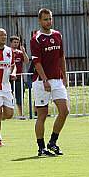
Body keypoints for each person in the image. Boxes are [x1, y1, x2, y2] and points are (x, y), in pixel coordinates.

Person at [30, 8, 68, 157]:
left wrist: (64, 75)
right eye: (45, 19)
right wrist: (45, 79)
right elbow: (37, 62)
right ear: (40, 21)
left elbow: (61, 57)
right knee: (42, 114)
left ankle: (53, 142)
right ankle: (41, 148)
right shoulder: (36, 39)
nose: (48, 21)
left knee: (64, 111)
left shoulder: (58, 35)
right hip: (41, 81)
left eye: (50, 18)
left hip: (57, 80)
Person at [9, 35, 27, 118]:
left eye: (17, 42)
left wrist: (23, 52)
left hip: (19, 78)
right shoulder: (7, 52)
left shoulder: (20, 53)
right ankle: (9, 114)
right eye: (14, 42)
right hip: (8, 78)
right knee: (9, 97)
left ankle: (21, 115)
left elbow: (26, 61)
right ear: (11, 43)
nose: (16, 44)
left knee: (20, 98)